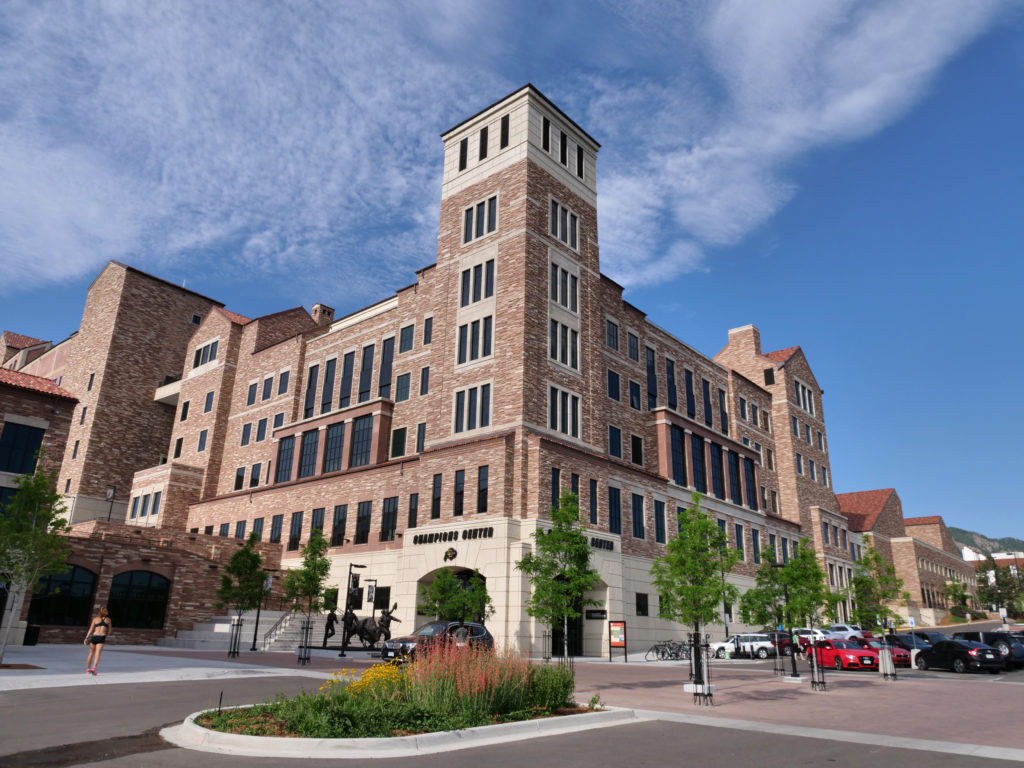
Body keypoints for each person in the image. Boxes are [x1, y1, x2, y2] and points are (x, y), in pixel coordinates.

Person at [84, 606, 112, 675]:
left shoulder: (95, 619)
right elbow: (110, 631)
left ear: (99, 612)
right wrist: (105, 635)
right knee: (97, 654)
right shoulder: (108, 620)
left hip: (94, 637)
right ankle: (94, 668)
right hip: (101, 638)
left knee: (91, 653)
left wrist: (86, 638)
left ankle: (88, 669)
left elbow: (91, 629)